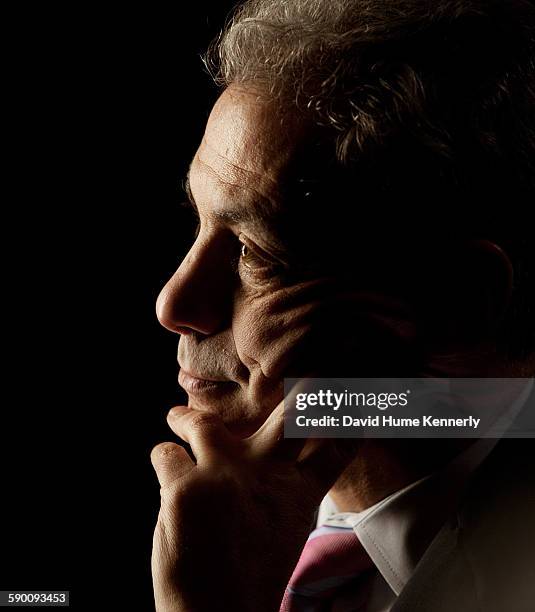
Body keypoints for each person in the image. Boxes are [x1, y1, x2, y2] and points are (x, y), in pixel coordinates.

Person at [150, 1, 535, 610]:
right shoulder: (209, 517)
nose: (173, 303)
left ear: (457, 302)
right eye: (197, 222)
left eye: (257, 254)